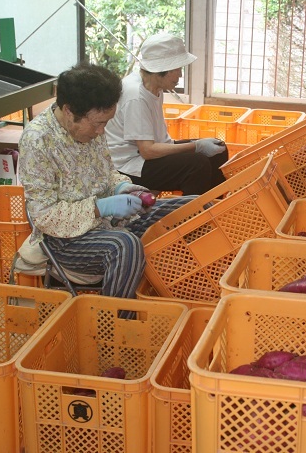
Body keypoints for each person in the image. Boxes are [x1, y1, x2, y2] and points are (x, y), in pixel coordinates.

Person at [18, 61, 193, 304]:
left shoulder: (89, 126)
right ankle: (111, 330)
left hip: (107, 224)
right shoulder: (38, 141)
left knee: (192, 207)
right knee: (124, 245)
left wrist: (123, 187)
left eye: (107, 122)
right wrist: (102, 207)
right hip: (66, 240)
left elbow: (108, 173)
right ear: (69, 111)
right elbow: (45, 216)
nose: (102, 132)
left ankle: (190, 292)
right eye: (98, 123)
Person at [105, 32, 229, 195]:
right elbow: (147, 151)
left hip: (147, 154)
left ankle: (214, 210)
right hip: (131, 165)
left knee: (218, 149)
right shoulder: (135, 95)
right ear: (161, 69)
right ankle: (191, 218)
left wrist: (197, 146)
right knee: (197, 165)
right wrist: (196, 146)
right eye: (177, 69)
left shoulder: (154, 86)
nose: (180, 75)